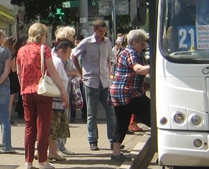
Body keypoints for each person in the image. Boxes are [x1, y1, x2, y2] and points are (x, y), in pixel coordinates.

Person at [17, 23, 68, 169]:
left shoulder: (21, 50)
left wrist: (23, 88)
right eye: (45, 34)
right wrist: (63, 90)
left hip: (26, 92)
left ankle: (28, 161)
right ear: (42, 35)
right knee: (43, 126)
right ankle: (42, 160)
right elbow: (51, 71)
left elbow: (19, 73)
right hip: (42, 90)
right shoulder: (43, 49)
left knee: (29, 126)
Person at [72, 19, 117, 151]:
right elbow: (74, 55)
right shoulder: (86, 42)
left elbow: (109, 59)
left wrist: (110, 74)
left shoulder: (107, 42)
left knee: (111, 112)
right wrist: (81, 73)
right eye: (100, 31)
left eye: (104, 31)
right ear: (94, 30)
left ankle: (113, 140)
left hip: (105, 82)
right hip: (90, 82)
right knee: (92, 114)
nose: (102, 33)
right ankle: (93, 140)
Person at [109, 29, 152, 161]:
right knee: (153, 116)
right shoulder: (131, 53)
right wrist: (155, 65)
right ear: (134, 42)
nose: (144, 46)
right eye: (142, 43)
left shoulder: (126, 52)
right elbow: (138, 69)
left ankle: (116, 153)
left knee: (122, 121)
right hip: (129, 92)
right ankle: (161, 147)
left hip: (118, 92)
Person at [54, 27, 79, 154]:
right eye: (72, 37)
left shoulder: (68, 54)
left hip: (66, 88)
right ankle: (56, 147)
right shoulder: (56, 54)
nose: (74, 40)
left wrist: (68, 73)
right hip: (56, 90)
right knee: (57, 118)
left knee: (65, 117)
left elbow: (75, 71)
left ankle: (62, 145)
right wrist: (68, 73)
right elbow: (58, 72)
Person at [48, 39, 73, 162]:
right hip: (56, 97)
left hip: (51, 97)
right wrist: (64, 95)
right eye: (68, 53)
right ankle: (51, 151)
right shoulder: (57, 61)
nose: (69, 56)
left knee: (51, 126)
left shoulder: (52, 59)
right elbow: (60, 79)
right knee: (53, 127)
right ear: (61, 51)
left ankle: (51, 151)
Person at [4, 37, 21, 125]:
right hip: (12, 78)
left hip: (4, 77)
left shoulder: (2, 53)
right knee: (10, 101)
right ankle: (8, 118)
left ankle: (4, 117)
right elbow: (14, 69)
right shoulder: (12, 55)